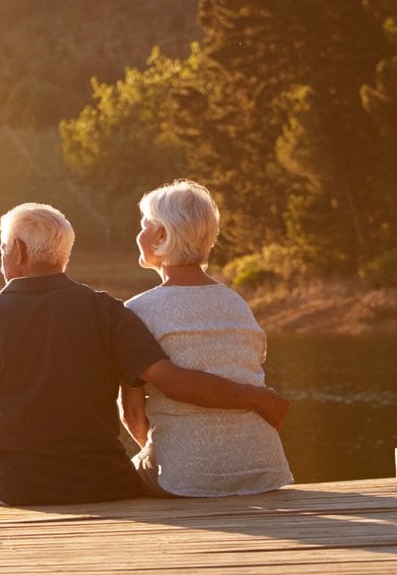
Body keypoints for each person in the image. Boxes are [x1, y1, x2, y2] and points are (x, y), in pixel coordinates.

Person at [0, 202, 288, 506]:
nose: (2, 258)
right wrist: (257, 398)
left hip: (16, 488)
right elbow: (168, 381)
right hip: (103, 484)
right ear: (64, 254)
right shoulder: (109, 312)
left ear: (17, 251)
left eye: (2, 249)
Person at [121, 179, 292, 497]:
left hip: (185, 479)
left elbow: (131, 414)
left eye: (144, 225)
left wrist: (171, 456)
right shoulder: (237, 303)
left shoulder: (136, 311)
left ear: (161, 235)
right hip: (263, 470)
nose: (139, 234)